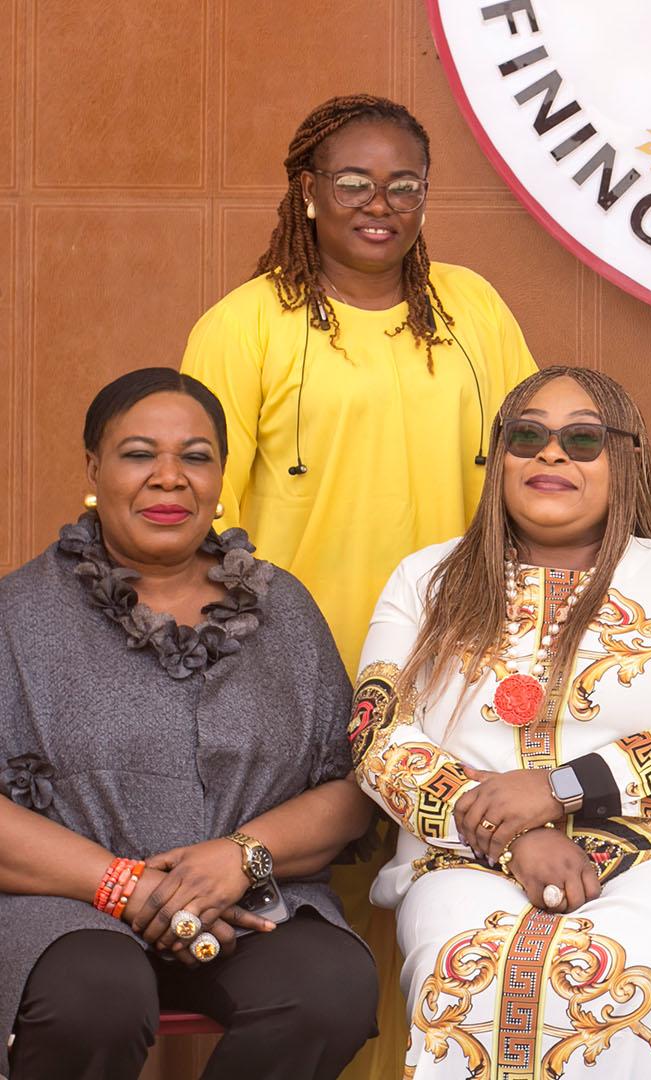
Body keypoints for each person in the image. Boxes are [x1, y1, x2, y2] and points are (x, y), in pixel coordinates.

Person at [180, 93, 538, 1077]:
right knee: (320, 898)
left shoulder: (473, 310)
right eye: (352, 182)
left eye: (404, 185)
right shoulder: (245, 325)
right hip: (299, 668)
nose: (380, 204)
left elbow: (532, 472)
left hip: (456, 661)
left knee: (441, 880)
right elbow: (197, 514)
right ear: (306, 192)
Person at [351, 367, 651, 1078]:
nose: (551, 453)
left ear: (625, 459)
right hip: (466, 855)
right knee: (469, 973)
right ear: (500, 457)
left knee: (643, 975)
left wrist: (560, 790)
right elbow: (377, 737)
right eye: (528, 436)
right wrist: (514, 835)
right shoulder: (425, 580)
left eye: (582, 439)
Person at [0, 369, 376, 1079]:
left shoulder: (285, 610)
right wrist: (124, 885)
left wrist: (241, 856)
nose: (169, 477)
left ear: (220, 476)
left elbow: (352, 788)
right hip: (65, 908)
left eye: (195, 457)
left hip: (252, 902)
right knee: (95, 999)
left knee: (329, 989)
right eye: (139, 454)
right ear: (94, 468)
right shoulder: (17, 614)